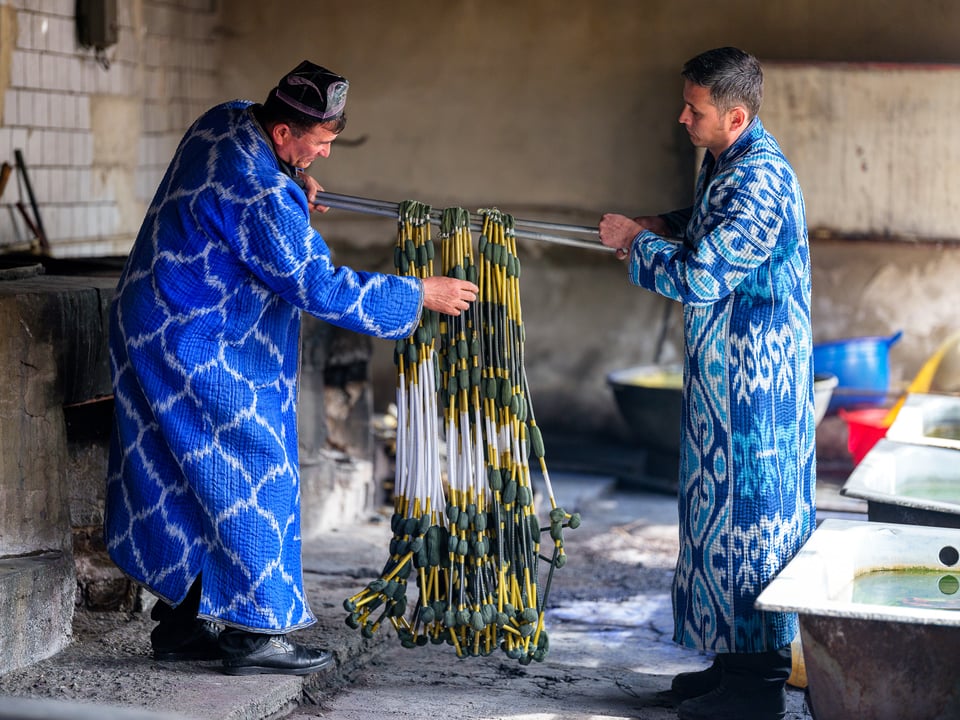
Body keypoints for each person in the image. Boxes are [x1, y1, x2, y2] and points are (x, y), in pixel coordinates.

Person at [104, 60, 479, 676]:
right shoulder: (258, 187)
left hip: (158, 319)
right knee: (257, 473)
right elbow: (318, 285)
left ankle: (183, 626)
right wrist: (418, 295)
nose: (324, 156)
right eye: (320, 143)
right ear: (282, 133)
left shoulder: (227, 121)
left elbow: (255, 193)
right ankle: (253, 633)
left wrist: (289, 175)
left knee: (185, 479)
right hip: (197, 341)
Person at [598, 47, 815, 720]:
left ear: (736, 115)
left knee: (750, 524)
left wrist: (638, 243)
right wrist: (665, 224)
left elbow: (700, 277)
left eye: (694, 109)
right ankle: (731, 665)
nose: (682, 118)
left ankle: (757, 687)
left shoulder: (759, 179)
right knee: (716, 527)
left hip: (757, 390)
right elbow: (710, 234)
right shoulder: (729, 160)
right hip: (728, 382)